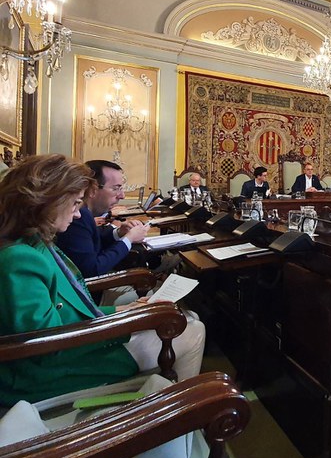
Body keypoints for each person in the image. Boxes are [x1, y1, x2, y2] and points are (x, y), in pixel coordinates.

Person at [0, 154, 205, 406]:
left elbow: (63, 312)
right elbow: (46, 345)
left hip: (74, 344)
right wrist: (122, 323)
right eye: (75, 203)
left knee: (185, 318)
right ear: (47, 201)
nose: (78, 214)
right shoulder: (19, 259)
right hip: (50, 374)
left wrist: (124, 310)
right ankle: (179, 413)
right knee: (192, 330)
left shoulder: (33, 242)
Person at [56, 160, 151, 278]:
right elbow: (92, 270)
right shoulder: (78, 216)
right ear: (93, 189)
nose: (122, 196)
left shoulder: (84, 212)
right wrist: (129, 239)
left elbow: (91, 241)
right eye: (116, 188)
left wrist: (119, 233)